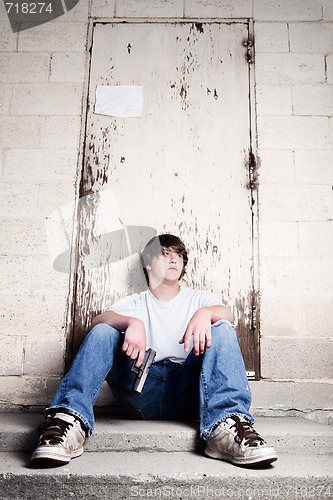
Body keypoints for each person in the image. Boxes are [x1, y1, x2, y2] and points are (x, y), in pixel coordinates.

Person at [31, 234, 277, 468]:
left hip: (187, 392)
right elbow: (99, 321)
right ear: (148, 263)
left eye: (179, 255)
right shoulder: (134, 302)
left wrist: (206, 314)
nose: (173, 259)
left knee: (222, 328)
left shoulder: (200, 299)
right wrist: (131, 323)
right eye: (164, 253)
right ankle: (66, 419)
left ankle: (227, 424)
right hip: (140, 392)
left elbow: (228, 315)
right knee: (105, 330)